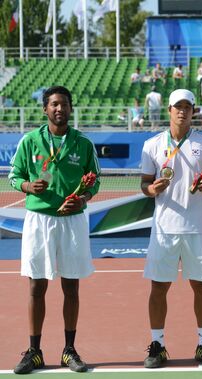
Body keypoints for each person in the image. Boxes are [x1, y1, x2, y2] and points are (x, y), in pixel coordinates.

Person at [9, 86, 101, 374]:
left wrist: (83, 198)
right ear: (45, 109)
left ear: (71, 109)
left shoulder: (83, 143)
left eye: (64, 104)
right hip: (39, 219)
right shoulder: (30, 140)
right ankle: (34, 351)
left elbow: (95, 180)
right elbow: (14, 176)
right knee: (37, 286)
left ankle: (69, 350)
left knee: (70, 286)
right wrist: (27, 186)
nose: (59, 109)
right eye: (54, 104)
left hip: (72, 221)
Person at [140, 89, 202, 369]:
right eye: (177, 107)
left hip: (196, 226)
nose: (182, 111)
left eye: (187, 107)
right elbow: (145, 185)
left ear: (193, 111)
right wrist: (152, 188)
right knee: (158, 287)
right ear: (169, 109)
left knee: (201, 287)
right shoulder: (152, 144)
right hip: (164, 227)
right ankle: (157, 344)